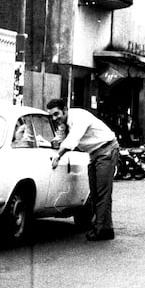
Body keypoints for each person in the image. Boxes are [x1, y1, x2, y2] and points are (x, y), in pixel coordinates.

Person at [46, 98, 120, 241]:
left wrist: (58, 156)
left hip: (106, 150)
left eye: (57, 114)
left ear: (65, 110)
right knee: (95, 193)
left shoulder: (79, 116)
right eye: (52, 116)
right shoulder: (63, 123)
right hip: (94, 154)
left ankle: (100, 229)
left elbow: (73, 138)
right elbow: (59, 138)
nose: (55, 118)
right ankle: (106, 228)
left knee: (102, 192)